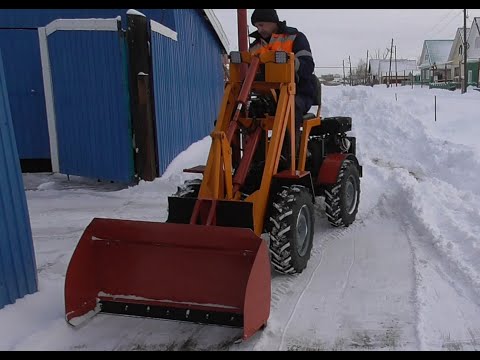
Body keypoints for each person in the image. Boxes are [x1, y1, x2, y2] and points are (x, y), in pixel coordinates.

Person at [249, 9, 317, 154]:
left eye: (262, 25)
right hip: (268, 96)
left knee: (289, 109)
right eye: (257, 26)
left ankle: (291, 155)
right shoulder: (255, 46)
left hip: (298, 93)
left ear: (272, 22)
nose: (259, 30)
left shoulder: (295, 37)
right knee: (247, 113)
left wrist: (290, 63)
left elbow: (308, 66)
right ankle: (255, 158)